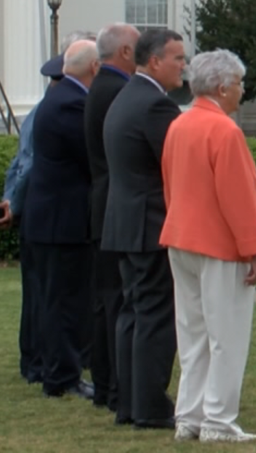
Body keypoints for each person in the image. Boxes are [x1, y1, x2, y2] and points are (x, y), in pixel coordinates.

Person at [160, 50, 256, 443]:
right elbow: (239, 198)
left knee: (192, 333)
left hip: (181, 238)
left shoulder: (179, 124)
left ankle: (189, 417)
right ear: (223, 86)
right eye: (240, 84)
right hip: (219, 244)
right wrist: (253, 251)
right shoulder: (225, 131)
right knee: (226, 336)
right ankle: (218, 420)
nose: (242, 92)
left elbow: (170, 185)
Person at [0, 31, 94, 386]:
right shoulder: (62, 107)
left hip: (37, 214)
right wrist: (13, 203)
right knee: (53, 297)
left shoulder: (43, 108)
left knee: (41, 296)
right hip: (51, 217)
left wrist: (11, 200)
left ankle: (37, 361)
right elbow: (31, 163)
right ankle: (48, 365)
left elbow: (19, 163)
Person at [100, 27, 186, 429]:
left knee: (132, 314)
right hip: (149, 223)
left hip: (124, 222)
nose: (183, 67)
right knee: (154, 315)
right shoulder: (155, 105)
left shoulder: (125, 98)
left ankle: (131, 403)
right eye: (178, 59)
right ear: (155, 61)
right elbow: (175, 166)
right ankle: (150, 406)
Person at [23, 38, 101, 399]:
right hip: (61, 221)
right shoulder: (72, 103)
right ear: (94, 68)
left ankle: (56, 370)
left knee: (55, 299)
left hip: (50, 219)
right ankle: (62, 375)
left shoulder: (56, 99)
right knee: (64, 302)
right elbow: (90, 160)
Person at [83, 22, 140, 412]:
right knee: (116, 303)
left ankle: (106, 385)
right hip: (113, 208)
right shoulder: (118, 92)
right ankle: (116, 386)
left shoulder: (99, 87)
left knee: (106, 303)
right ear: (124, 52)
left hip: (101, 206)